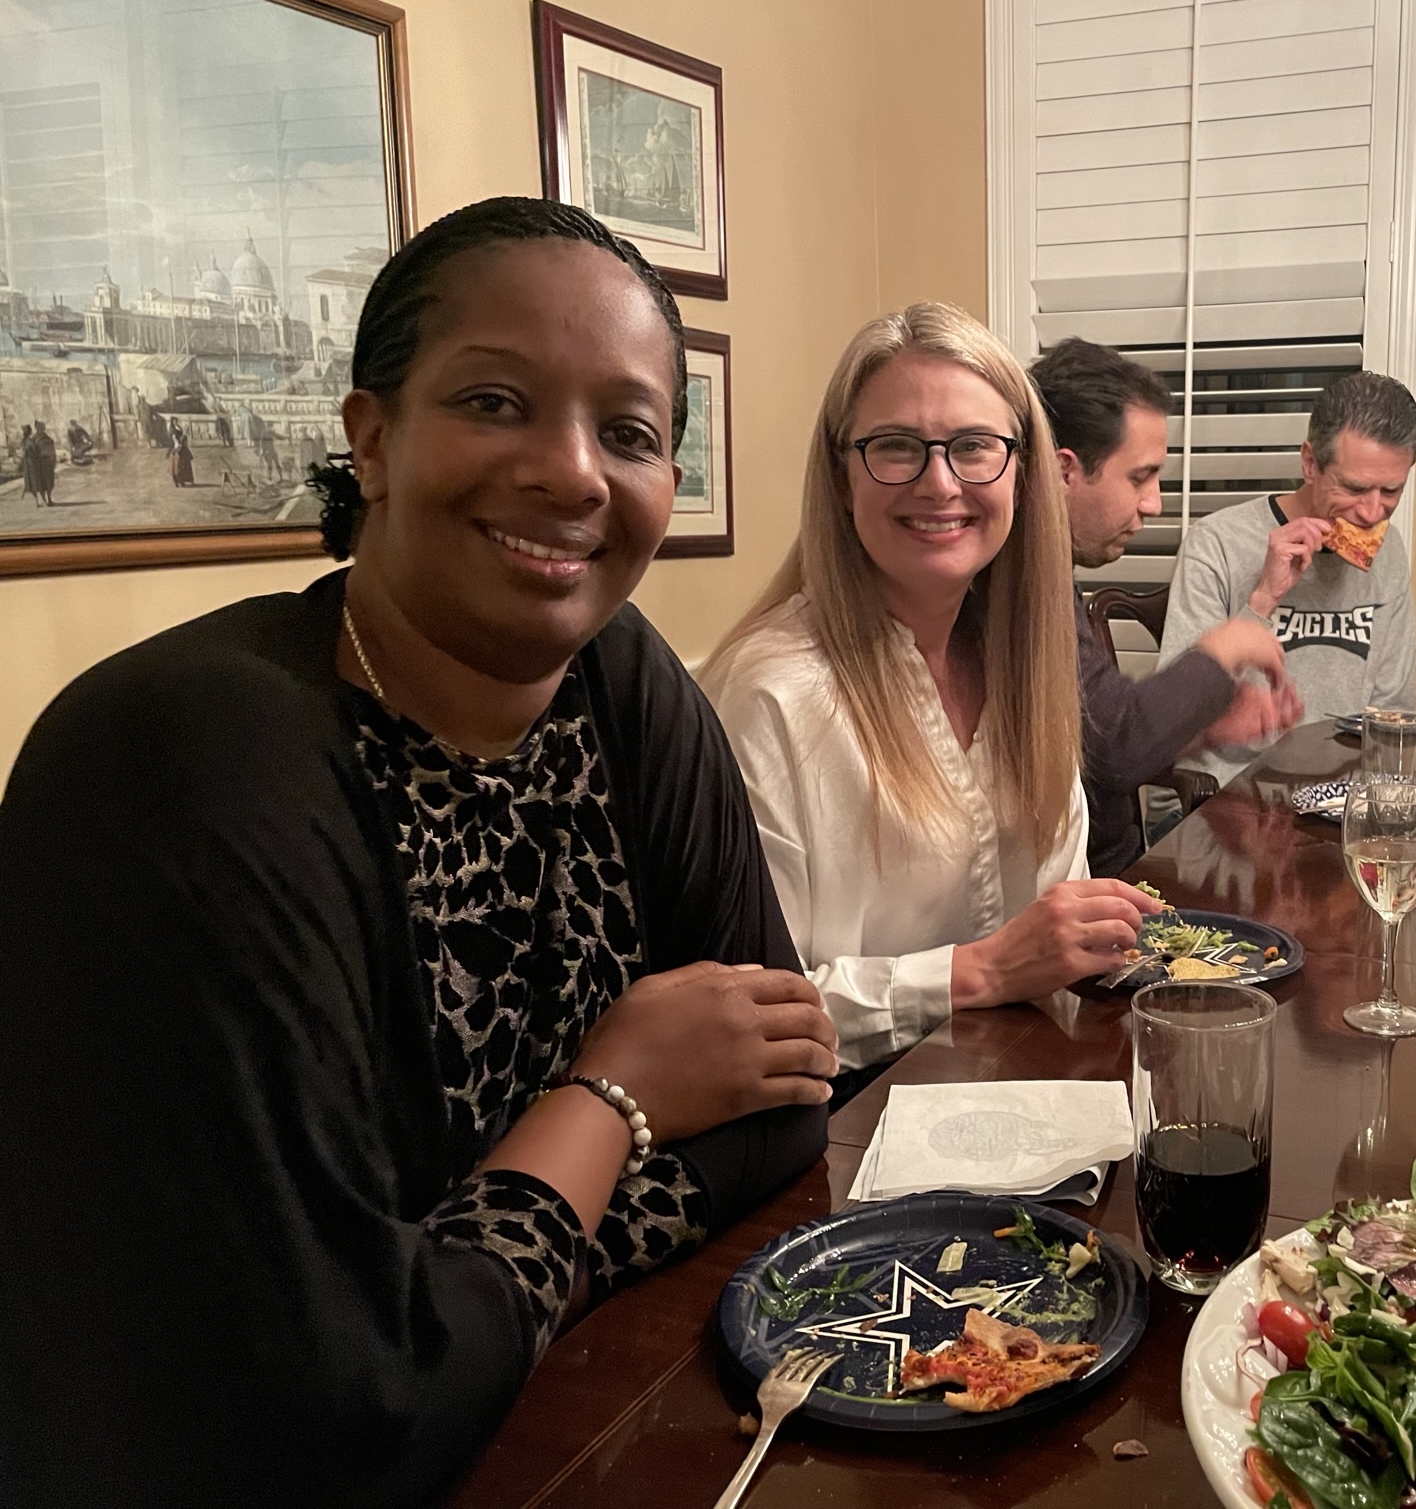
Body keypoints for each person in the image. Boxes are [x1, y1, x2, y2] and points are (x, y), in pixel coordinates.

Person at [0, 197, 833, 1505]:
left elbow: (782, 1105)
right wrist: (612, 1097)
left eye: (629, 432)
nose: (572, 472)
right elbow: (347, 1415)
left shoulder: (620, 679)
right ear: (371, 437)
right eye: (496, 402)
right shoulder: (182, 761)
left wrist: (478, 1266)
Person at [703, 304, 1159, 1090]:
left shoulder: (1029, 662)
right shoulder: (770, 695)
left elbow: (1059, 922)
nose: (940, 482)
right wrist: (977, 971)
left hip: (1022, 1094)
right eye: (896, 448)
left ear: (1023, 468)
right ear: (843, 476)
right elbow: (752, 1022)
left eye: (976, 446)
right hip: (841, 1136)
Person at [1029, 337, 1300, 873]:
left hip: (1117, 868)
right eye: (1140, 476)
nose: (1153, 503)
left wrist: (1203, 728)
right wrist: (1227, 644)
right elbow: (1117, 749)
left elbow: (1088, 738)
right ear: (1064, 471)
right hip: (1091, 888)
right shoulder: (1019, 586)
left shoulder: (1049, 570)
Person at [1159, 370, 1416, 783]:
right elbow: (1172, 718)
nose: (1372, 513)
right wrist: (1264, 596)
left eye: (1390, 491)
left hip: (1343, 807)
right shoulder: (1216, 543)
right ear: (1310, 463)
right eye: (1354, 488)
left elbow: (1394, 712)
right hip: (1232, 800)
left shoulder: (1390, 552)